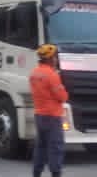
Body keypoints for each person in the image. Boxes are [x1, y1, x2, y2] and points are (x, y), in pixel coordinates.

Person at [29, 44, 68, 177]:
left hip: (39, 115)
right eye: (55, 57)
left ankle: (36, 173)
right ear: (50, 59)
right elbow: (62, 97)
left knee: (40, 146)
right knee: (56, 147)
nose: (56, 60)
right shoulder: (52, 75)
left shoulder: (34, 73)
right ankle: (56, 173)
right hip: (53, 116)